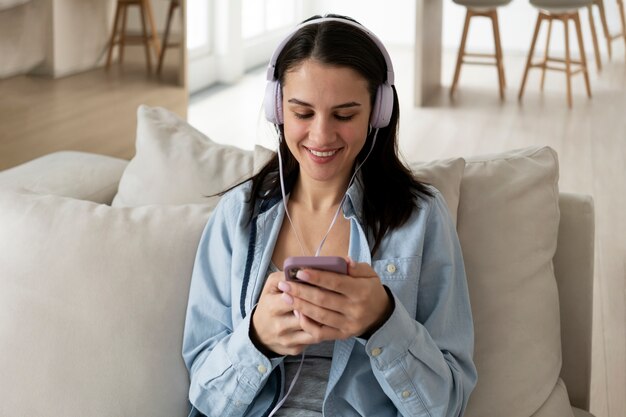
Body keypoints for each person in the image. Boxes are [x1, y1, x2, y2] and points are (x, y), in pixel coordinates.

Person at [182, 14, 477, 417]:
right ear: (277, 109)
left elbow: (448, 403)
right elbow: (204, 397)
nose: (321, 136)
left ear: (378, 113)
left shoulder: (421, 219)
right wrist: (256, 341)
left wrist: (382, 322)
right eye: (303, 113)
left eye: (344, 115)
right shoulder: (238, 217)